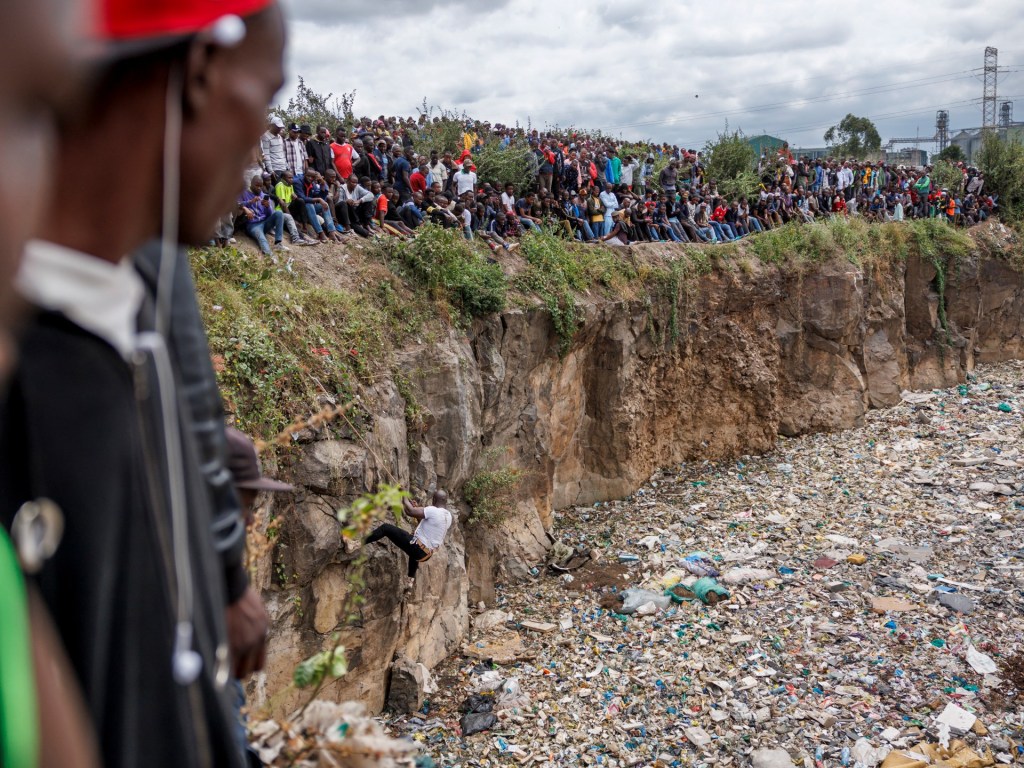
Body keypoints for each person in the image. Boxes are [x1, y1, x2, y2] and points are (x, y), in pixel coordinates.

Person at [0, 2, 286, 767]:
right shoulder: (38, 380)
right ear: (199, 73)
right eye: (266, 96)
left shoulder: (134, 346)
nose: (261, 147)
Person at [366, 491, 453, 592]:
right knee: (414, 550)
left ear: (434, 500)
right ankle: (409, 582)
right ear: (445, 501)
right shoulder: (448, 517)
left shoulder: (433, 511)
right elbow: (426, 523)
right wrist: (416, 510)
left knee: (386, 528)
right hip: (426, 554)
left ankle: (356, 544)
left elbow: (409, 512)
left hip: (418, 549)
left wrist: (404, 496)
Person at [239, 175, 286, 257]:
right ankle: (270, 256)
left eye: (260, 186)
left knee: (279, 213)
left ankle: (278, 243)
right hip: (253, 225)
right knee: (262, 238)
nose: (259, 188)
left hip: (265, 222)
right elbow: (237, 204)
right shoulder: (244, 193)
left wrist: (267, 206)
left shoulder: (263, 195)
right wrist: (250, 202)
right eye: (256, 185)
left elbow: (270, 214)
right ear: (251, 184)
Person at [260, 115, 287, 180]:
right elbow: (266, 155)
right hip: (275, 168)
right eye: (278, 127)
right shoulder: (266, 137)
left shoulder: (280, 137)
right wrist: (270, 171)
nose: (279, 129)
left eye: (280, 127)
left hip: (283, 167)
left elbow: (282, 152)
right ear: (272, 126)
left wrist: (286, 166)